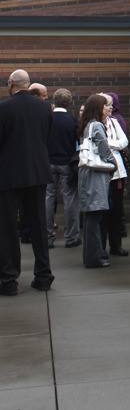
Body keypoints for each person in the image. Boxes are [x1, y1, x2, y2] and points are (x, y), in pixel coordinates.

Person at [0, 69, 54, 295]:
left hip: (9, 176)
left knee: (8, 229)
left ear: (11, 83)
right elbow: (46, 137)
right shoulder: (44, 108)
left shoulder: (3, 108)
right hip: (38, 173)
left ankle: (9, 279)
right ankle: (43, 276)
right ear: (29, 84)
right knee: (39, 226)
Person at [77, 94, 116, 268]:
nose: (108, 109)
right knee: (95, 215)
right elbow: (104, 149)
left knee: (90, 216)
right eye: (105, 106)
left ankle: (91, 256)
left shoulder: (86, 125)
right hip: (96, 174)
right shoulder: (97, 126)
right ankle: (95, 257)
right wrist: (113, 165)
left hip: (86, 173)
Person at [45, 88, 81, 249]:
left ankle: (47, 237)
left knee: (47, 199)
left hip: (48, 163)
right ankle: (71, 238)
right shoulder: (73, 121)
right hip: (67, 163)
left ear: (54, 101)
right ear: (70, 103)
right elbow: (79, 144)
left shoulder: (46, 119)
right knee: (70, 200)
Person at [102, 93, 129, 256]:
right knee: (103, 212)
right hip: (101, 174)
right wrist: (114, 145)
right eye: (107, 104)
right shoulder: (93, 124)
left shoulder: (114, 122)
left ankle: (116, 245)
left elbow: (124, 142)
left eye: (112, 104)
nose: (111, 107)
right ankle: (100, 247)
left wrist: (106, 143)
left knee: (116, 211)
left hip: (118, 173)